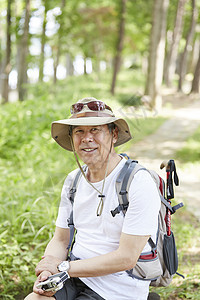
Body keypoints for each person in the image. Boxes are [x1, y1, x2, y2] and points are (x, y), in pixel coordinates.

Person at [25, 97, 160, 300]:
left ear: (113, 134)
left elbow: (127, 258)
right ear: (72, 139)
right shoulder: (74, 180)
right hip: (73, 276)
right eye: (79, 131)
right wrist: (49, 267)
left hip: (119, 287)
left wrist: (64, 267)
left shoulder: (137, 181)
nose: (87, 138)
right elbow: (61, 239)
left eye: (95, 130)